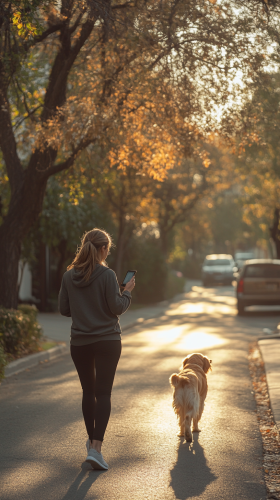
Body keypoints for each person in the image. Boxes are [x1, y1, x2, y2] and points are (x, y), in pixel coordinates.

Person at [58, 228, 135, 470]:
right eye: (108, 249)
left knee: (87, 392)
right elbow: (116, 308)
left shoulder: (68, 276)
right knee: (103, 394)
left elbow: (64, 309)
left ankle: (93, 445)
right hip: (107, 342)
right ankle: (96, 449)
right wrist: (127, 293)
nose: (107, 252)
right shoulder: (107, 274)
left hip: (80, 343)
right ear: (102, 249)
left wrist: (83, 308)